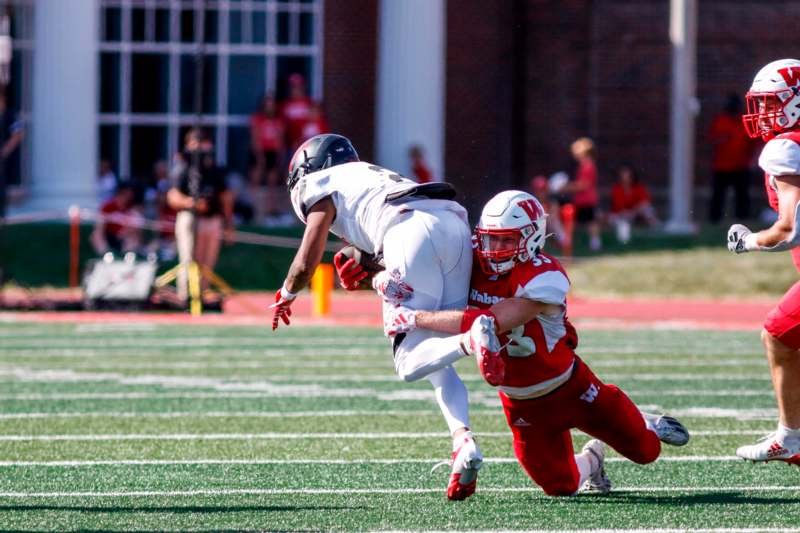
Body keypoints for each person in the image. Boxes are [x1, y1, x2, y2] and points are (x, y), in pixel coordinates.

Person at [383, 190, 690, 496]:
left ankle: (641, 418)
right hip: (521, 405)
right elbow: (418, 256)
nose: (495, 248)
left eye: (507, 240)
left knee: (647, 451)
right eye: (491, 238)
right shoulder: (469, 260)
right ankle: (593, 459)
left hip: (574, 388)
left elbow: (488, 322)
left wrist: (413, 318)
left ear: (531, 238)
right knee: (561, 486)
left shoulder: (544, 275)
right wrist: (369, 267)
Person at [272, 133, 502, 500]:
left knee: (409, 361)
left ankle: (471, 339)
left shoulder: (321, 183)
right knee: (435, 352)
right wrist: (369, 267)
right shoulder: (371, 175)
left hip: (407, 230)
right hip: (454, 224)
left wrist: (287, 293)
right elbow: (391, 237)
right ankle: (463, 441)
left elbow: (308, 256)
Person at [727, 58, 800, 465]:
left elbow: (790, 228)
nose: (764, 112)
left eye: (773, 101)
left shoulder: (785, 145)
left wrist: (749, 241)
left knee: (778, 333)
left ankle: (791, 438)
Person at [167, 129, 235, 303]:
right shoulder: (183, 167)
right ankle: (186, 296)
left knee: (207, 262)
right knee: (189, 259)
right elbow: (172, 196)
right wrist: (192, 203)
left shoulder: (213, 169)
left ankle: (202, 294)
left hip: (212, 219)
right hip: (190, 217)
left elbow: (225, 196)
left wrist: (228, 223)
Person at [708, 93, 758, 223]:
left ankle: (742, 218)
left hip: (741, 164)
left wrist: (752, 158)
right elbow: (713, 139)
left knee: (742, 194)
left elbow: (753, 142)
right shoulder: (720, 120)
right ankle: (715, 219)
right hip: (722, 165)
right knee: (718, 194)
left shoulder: (743, 121)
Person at [560, 137, 602, 251]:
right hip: (582, 199)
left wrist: (566, 187)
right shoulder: (585, 165)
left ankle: (569, 243)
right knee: (589, 221)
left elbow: (583, 185)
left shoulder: (587, 166)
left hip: (586, 199)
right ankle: (575, 243)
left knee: (588, 222)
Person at [249, 93, 286, 220]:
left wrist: (280, 155)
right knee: (257, 174)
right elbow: (255, 138)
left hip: (273, 151)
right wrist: (259, 156)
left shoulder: (278, 120)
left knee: (273, 178)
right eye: (268, 104)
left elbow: (280, 139)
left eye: (272, 105)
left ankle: (271, 208)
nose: (270, 107)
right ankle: (252, 204)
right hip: (261, 150)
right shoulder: (258, 119)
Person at [608, 165, 659, 244]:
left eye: (628, 176)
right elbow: (619, 206)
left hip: (637, 212)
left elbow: (645, 202)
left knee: (647, 209)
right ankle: (624, 242)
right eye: (623, 176)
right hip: (621, 214)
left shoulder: (639, 188)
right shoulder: (617, 189)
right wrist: (630, 212)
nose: (626, 178)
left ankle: (655, 232)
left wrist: (635, 210)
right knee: (621, 220)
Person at [90, 182, 143, 255]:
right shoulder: (107, 206)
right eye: (128, 193)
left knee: (133, 238)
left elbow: (136, 227)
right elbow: (99, 227)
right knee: (95, 235)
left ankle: (127, 257)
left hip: (123, 238)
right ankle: (105, 255)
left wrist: (125, 232)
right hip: (108, 236)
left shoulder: (131, 208)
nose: (131, 196)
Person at [280, 73, 313, 152]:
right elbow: (282, 126)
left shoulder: (309, 103)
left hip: (307, 144)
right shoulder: (285, 105)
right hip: (290, 145)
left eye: (299, 86)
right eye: (293, 87)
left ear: (303, 87)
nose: (296, 89)